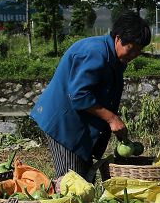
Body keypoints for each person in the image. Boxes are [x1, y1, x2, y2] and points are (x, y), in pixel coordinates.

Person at [30, 11, 151, 180]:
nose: (133, 56)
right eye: (131, 49)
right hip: (65, 125)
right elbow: (79, 95)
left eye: (138, 51)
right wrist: (112, 119)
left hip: (80, 125)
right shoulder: (94, 53)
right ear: (117, 38)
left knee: (86, 182)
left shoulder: (116, 58)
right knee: (72, 184)